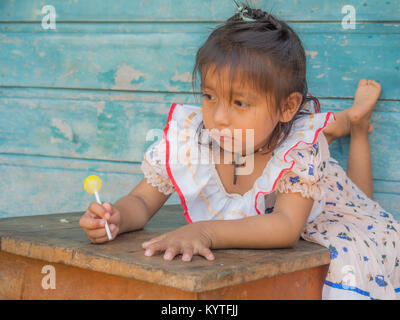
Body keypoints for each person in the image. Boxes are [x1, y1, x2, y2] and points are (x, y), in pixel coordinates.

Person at [79, 3, 400, 300]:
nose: (218, 117)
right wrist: (117, 217)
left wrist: (205, 231)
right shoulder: (192, 140)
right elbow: (141, 200)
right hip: (292, 149)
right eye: (209, 96)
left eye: (240, 103)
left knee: (359, 215)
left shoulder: (300, 151)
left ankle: (356, 126)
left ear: (287, 107)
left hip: (332, 212)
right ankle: (346, 122)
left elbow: (287, 224)